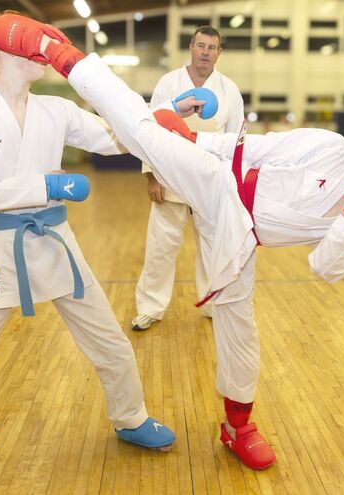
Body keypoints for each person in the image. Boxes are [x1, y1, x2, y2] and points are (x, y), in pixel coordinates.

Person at [0, 14, 344, 470]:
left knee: (241, 330)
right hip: (221, 184)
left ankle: (237, 427)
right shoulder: (331, 146)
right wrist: (194, 141)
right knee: (146, 134)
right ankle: (61, 53)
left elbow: (325, 267)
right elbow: (257, 146)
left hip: (240, 240)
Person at [0, 11, 175, 484]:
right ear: (8, 50)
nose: (45, 50)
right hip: (2, 248)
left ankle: (132, 417)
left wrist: (156, 121)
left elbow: (110, 138)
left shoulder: (55, 110)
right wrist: (49, 184)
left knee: (109, 340)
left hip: (58, 244)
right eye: (35, 42)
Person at [132, 26, 244, 331]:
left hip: (212, 178)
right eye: (201, 45)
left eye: (212, 47)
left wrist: (234, 182)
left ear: (219, 53)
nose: (206, 52)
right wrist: (151, 176)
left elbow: (236, 138)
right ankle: (149, 307)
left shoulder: (229, 90)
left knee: (213, 245)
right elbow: (149, 129)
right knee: (161, 246)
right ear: (191, 47)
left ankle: (212, 304)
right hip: (171, 174)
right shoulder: (169, 83)